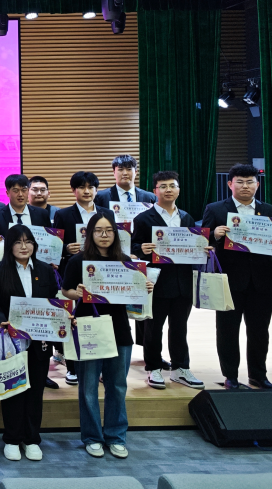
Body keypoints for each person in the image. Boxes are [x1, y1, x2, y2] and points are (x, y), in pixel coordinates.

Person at [63, 214, 154, 459]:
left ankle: (116, 436)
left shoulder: (126, 261)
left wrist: (145, 287)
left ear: (116, 234)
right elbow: (65, 290)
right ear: (89, 234)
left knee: (117, 386)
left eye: (109, 230)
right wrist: (77, 293)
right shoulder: (78, 260)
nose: (104, 235)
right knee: (88, 388)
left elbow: (134, 297)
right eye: (98, 230)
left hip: (119, 330)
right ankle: (92, 437)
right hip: (89, 328)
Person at [0, 225, 58, 462]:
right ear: (9, 246)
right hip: (10, 341)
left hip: (39, 341)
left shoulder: (45, 270)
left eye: (28, 242)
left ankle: (32, 439)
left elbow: (53, 301)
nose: (24, 247)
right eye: (18, 242)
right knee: (12, 390)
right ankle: (12, 439)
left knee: (35, 391)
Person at [130, 171, 206, 390]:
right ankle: (153, 367)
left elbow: (193, 247)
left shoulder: (187, 217)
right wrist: (141, 249)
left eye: (172, 185)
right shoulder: (143, 219)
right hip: (156, 282)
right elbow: (132, 247)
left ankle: (180, 368)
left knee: (180, 327)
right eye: (163, 186)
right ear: (155, 191)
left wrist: (203, 249)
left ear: (179, 190)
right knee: (153, 328)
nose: (168, 190)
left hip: (183, 283)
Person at [202, 163, 272, 390]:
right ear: (230, 184)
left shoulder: (268, 210)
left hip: (262, 282)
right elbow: (201, 242)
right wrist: (214, 234)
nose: (245, 186)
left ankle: (258, 375)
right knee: (227, 331)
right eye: (240, 182)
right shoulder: (215, 209)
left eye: (250, 181)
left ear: (257, 185)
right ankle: (230, 375)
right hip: (229, 281)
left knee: (260, 331)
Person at [52, 171, 115, 386]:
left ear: (97, 190)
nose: (87, 191)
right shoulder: (63, 214)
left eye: (91, 187)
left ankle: (102, 365)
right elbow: (55, 245)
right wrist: (65, 248)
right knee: (73, 320)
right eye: (81, 187)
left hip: (102, 275)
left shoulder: (107, 213)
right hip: (74, 272)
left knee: (102, 319)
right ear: (74, 190)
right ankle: (72, 367)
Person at [94, 155, 158, 208]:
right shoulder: (100, 197)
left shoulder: (150, 198)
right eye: (120, 169)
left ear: (136, 172)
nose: (125, 173)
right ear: (114, 172)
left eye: (129, 169)